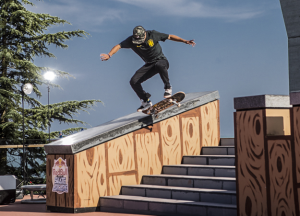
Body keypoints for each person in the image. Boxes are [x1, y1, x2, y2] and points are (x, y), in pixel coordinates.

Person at [100, 26, 196, 112]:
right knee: (133, 81)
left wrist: (185, 41)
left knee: (159, 64)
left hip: (161, 61)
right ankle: (146, 101)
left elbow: (170, 36)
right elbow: (118, 46)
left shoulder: (153, 34)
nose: (140, 42)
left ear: (145, 34)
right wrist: (109, 55)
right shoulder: (131, 40)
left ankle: (168, 88)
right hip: (149, 65)